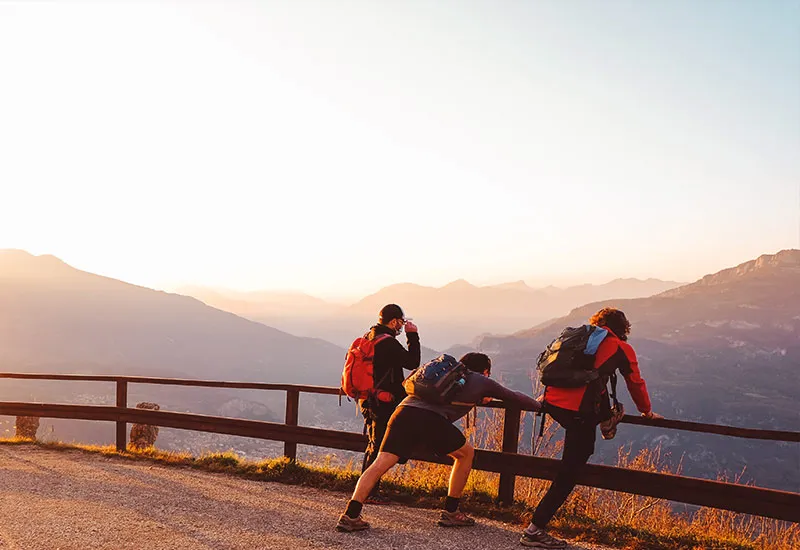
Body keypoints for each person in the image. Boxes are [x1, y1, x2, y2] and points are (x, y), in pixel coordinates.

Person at [336, 352, 542, 532]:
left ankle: (351, 515)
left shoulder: (446, 376)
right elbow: (512, 396)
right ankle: (451, 512)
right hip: (429, 419)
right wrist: (538, 405)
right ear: (484, 371)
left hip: (402, 412)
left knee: (380, 462)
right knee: (465, 454)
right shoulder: (481, 381)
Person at [521, 307, 662, 549]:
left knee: (597, 386)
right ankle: (534, 530)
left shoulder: (580, 338)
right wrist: (647, 411)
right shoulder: (620, 347)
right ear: (623, 328)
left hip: (553, 404)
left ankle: (606, 417)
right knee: (570, 471)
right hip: (579, 413)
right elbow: (635, 382)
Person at [358, 303, 421, 504]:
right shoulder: (388, 343)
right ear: (393, 321)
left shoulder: (369, 337)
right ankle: (368, 493)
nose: (402, 326)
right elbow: (412, 362)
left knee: (374, 444)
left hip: (368, 399)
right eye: (401, 322)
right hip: (383, 402)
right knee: (377, 446)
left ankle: (368, 489)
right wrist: (413, 336)